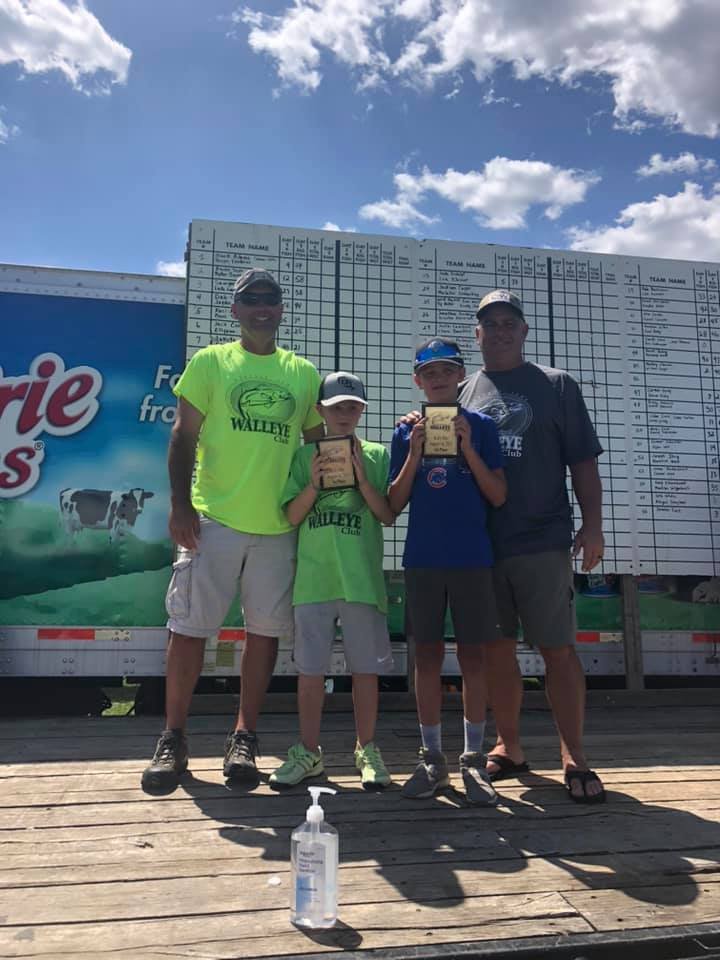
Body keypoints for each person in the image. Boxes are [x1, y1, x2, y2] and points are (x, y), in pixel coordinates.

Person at [141, 267, 324, 792]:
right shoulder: (210, 361)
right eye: (252, 300)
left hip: (275, 528)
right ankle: (173, 737)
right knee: (189, 629)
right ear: (235, 311)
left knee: (263, 633)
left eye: (271, 299)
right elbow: (183, 435)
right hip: (213, 519)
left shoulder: (303, 373)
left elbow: (316, 446)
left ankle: (244, 737)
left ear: (282, 310)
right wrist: (180, 505)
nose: (262, 308)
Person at [460, 289, 606, 803]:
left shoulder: (557, 385)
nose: (499, 330)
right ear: (476, 334)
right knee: (498, 652)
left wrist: (594, 525)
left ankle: (574, 756)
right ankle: (511, 745)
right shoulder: (462, 391)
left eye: (509, 322)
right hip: (483, 546)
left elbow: (583, 461)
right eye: (489, 323)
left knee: (558, 650)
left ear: (523, 331)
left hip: (543, 539)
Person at [388, 338, 507, 805]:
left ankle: (472, 760)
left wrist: (467, 448)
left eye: (446, 371)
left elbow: (498, 495)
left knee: (475, 658)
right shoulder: (406, 431)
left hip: (472, 557)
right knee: (426, 660)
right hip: (423, 559)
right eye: (428, 373)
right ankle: (432, 758)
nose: (438, 380)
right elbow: (392, 506)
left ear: (462, 376)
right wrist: (416, 452)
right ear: (417, 381)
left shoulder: (483, 426)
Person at [269, 371, 396, 791]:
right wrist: (314, 483)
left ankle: (367, 748)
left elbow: (386, 514)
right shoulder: (303, 457)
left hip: (361, 583)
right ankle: (309, 751)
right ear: (320, 410)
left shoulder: (377, 455)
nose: (345, 413)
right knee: (309, 671)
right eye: (337, 406)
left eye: (353, 406)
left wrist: (361, 479)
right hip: (314, 581)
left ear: (362, 411)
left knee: (365, 672)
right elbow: (291, 515)